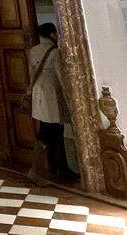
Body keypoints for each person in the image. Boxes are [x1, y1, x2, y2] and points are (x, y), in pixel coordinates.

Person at [29, 23, 78, 182]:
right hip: (51, 95)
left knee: (47, 130)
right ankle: (48, 169)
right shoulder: (55, 52)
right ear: (52, 34)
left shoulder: (33, 50)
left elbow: (31, 73)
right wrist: (70, 96)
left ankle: (53, 168)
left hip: (38, 93)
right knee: (54, 131)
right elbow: (60, 75)